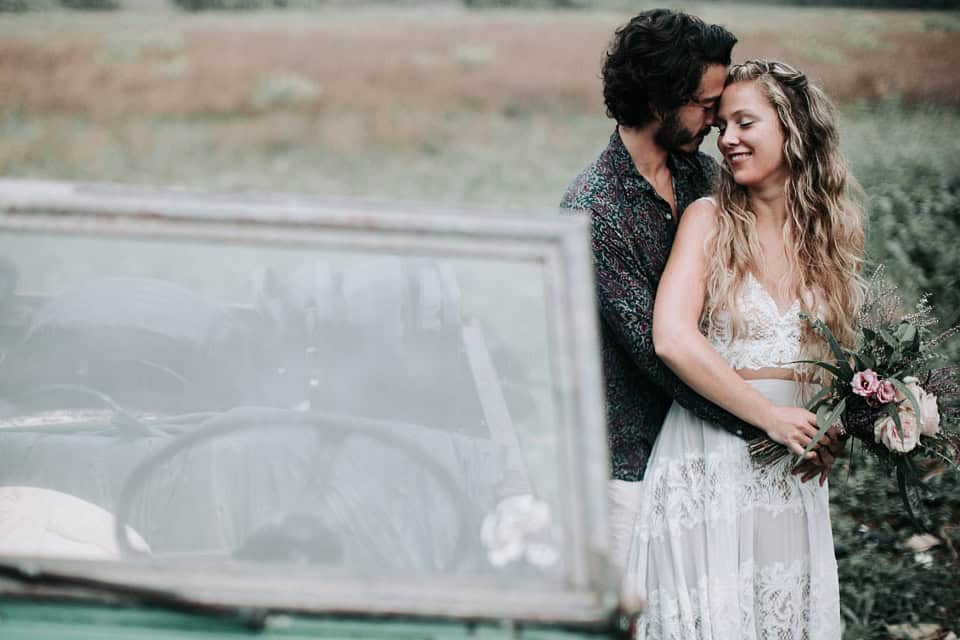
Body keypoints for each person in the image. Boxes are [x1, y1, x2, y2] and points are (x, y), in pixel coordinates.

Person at [560, 9, 841, 572]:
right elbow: (659, 352)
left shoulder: (701, 177)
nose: (717, 122)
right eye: (708, 105)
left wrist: (808, 418)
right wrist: (771, 424)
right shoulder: (594, 208)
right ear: (660, 101)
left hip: (719, 454)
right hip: (630, 464)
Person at [622, 59, 863, 638]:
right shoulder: (708, 220)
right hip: (709, 463)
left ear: (793, 127)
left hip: (789, 474)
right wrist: (771, 418)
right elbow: (672, 338)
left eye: (744, 123)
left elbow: (835, 362)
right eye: (722, 124)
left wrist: (833, 424)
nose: (726, 139)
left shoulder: (831, 234)